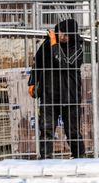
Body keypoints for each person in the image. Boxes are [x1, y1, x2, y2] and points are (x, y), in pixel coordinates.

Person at [28, 18, 86, 159]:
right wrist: (32, 82)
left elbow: (63, 63)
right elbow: (38, 62)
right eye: (61, 32)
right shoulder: (48, 44)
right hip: (49, 94)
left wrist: (54, 43)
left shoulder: (77, 49)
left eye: (66, 34)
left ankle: (79, 157)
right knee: (46, 130)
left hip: (70, 96)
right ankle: (45, 158)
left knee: (72, 131)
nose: (62, 36)